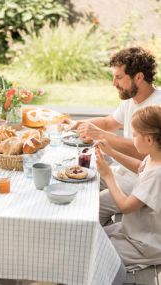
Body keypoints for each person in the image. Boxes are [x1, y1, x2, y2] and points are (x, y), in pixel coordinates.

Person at [64, 47, 161, 225]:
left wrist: (101, 135)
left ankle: (103, 247)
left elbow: (146, 155)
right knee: (78, 180)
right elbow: (109, 122)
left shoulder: (156, 108)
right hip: (126, 170)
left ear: (138, 77)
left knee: (91, 207)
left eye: (118, 77)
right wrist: (75, 124)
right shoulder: (132, 98)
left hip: (143, 180)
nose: (113, 83)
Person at [95, 105, 161, 270]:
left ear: (148, 140)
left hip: (145, 244)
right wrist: (111, 152)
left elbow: (125, 207)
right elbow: (140, 166)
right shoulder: (154, 157)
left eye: (134, 135)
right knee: (92, 238)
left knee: (95, 253)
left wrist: (108, 175)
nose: (132, 139)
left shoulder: (157, 175)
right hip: (133, 229)